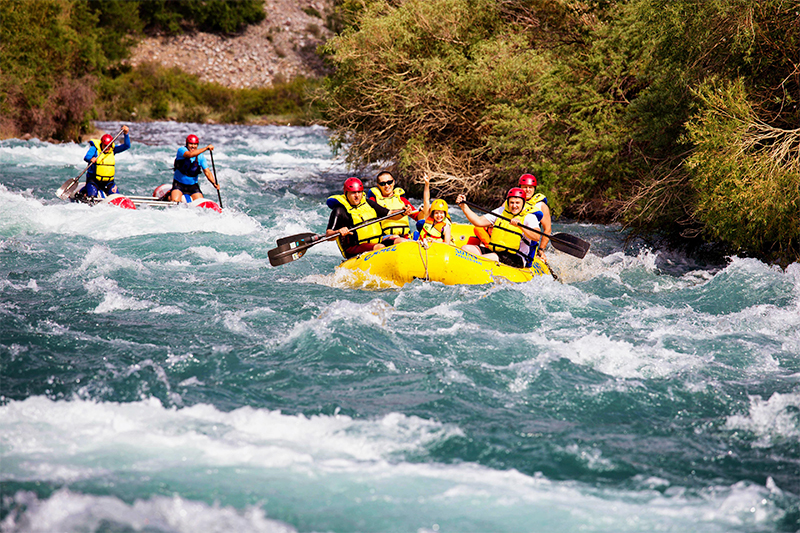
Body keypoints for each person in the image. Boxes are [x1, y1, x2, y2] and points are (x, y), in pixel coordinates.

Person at [326, 177, 414, 258]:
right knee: (381, 247)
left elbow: (390, 214)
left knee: (402, 241)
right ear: (346, 193)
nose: (357, 196)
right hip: (354, 247)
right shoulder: (339, 210)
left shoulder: (368, 203)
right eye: (353, 193)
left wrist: (403, 212)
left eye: (359, 192)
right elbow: (329, 235)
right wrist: (338, 231)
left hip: (376, 242)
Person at [456, 188, 542, 268]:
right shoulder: (501, 211)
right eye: (512, 202)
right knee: (465, 249)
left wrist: (521, 227)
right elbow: (478, 221)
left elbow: (537, 236)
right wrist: (464, 207)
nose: (514, 206)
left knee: (486, 258)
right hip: (496, 251)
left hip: (516, 257)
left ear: (523, 203)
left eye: (517, 203)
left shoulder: (529, 217)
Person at [366, 171, 430, 241]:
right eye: (383, 184)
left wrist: (423, 211)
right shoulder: (373, 201)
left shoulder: (402, 200)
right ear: (378, 185)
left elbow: (418, 217)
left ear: (393, 182)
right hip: (386, 237)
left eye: (389, 182)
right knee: (398, 239)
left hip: (404, 236)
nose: (387, 186)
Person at [79, 125, 130, 198]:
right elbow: (87, 157)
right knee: (92, 196)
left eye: (109, 146)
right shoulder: (95, 149)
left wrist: (126, 134)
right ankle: (84, 191)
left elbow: (126, 146)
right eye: (105, 145)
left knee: (117, 197)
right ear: (102, 143)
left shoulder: (112, 150)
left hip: (108, 182)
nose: (107, 148)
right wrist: (91, 159)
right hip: (94, 181)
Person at [170, 134, 219, 203]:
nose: (193, 146)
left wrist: (214, 183)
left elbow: (207, 172)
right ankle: (170, 196)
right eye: (191, 144)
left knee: (201, 205)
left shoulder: (201, 157)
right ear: (187, 144)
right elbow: (190, 155)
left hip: (193, 186)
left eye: (195, 144)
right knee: (175, 202)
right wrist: (206, 148)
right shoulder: (182, 150)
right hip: (179, 184)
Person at [518, 173, 552, 260]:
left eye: (530, 187)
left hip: (528, 243)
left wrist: (541, 249)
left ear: (534, 189)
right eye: (525, 187)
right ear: (520, 188)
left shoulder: (541, 206)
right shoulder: (512, 201)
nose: (527, 190)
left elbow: (547, 230)